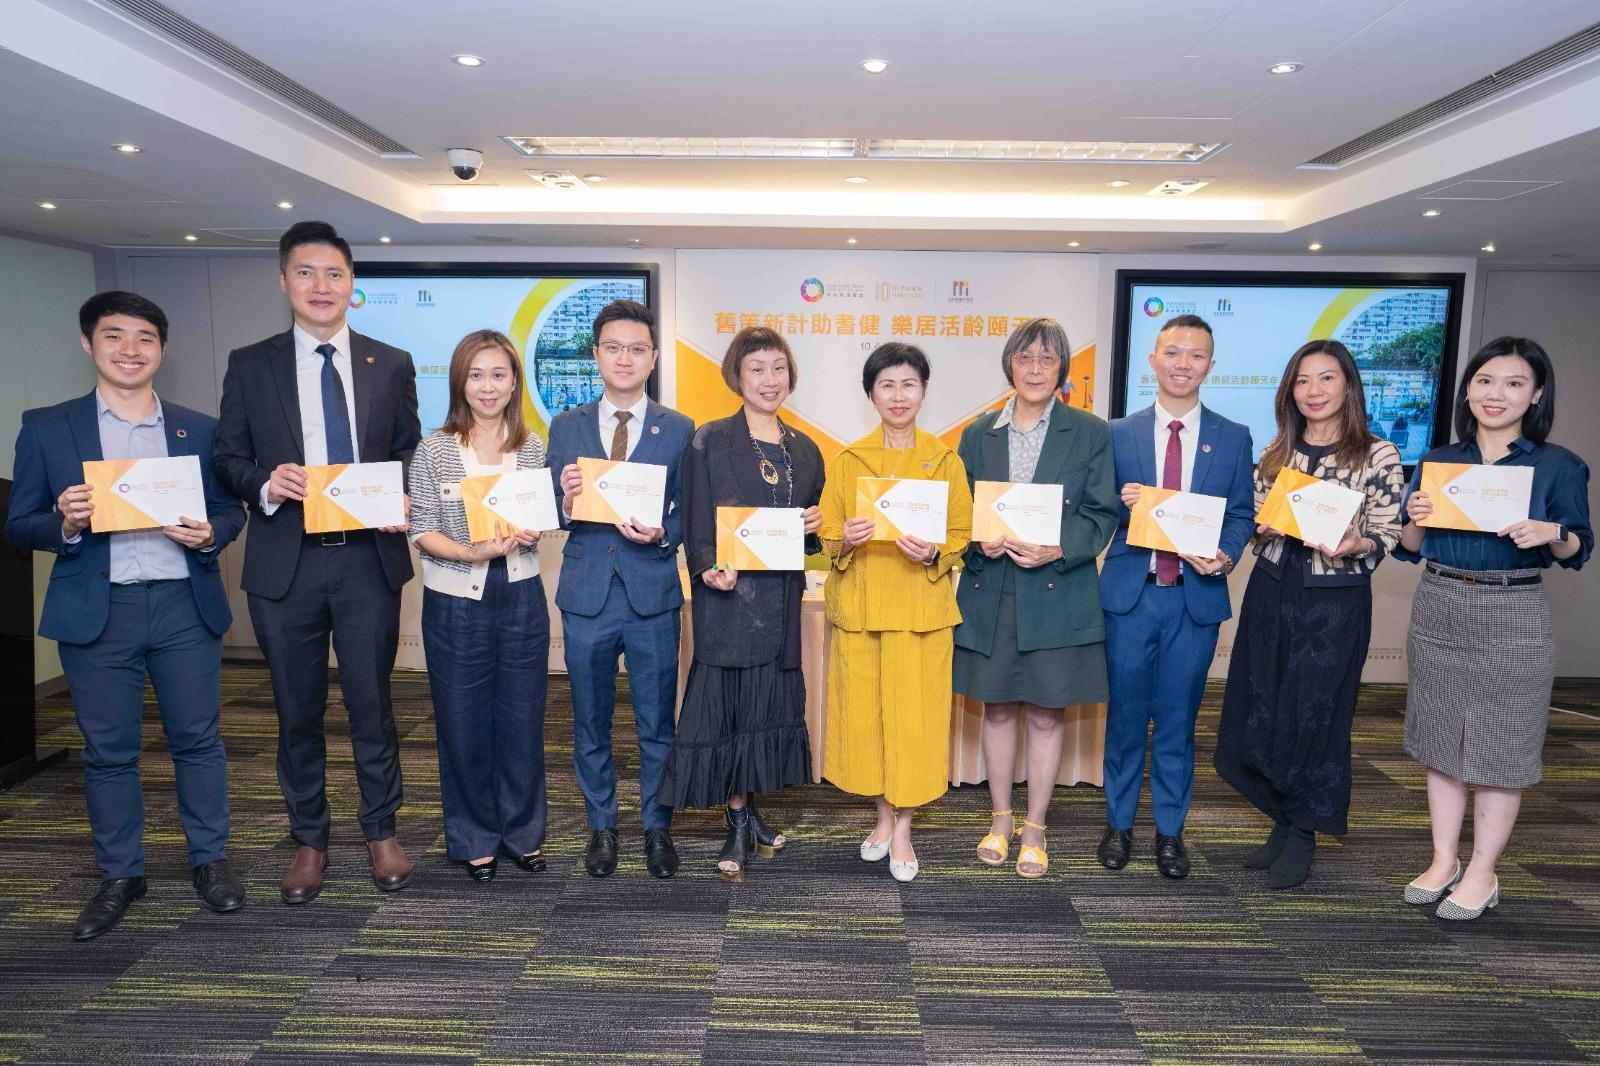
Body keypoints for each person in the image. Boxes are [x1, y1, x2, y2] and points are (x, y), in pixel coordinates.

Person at [6, 292, 246, 939]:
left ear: (162, 349)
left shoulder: (199, 429)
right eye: (114, 336)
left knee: (198, 740)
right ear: (89, 343)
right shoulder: (48, 427)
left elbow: (231, 510)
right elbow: (19, 522)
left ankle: (210, 860)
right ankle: (121, 874)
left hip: (182, 604)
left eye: (145, 338)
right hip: (98, 607)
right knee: (108, 752)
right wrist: (64, 522)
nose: (130, 350)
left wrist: (212, 534)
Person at [212, 220, 421, 903]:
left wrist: (403, 493)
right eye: (306, 272)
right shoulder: (252, 363)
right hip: (287, 563)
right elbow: (227, 457)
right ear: (284, 281)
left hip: (366, 561)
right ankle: (309, 839)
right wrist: (266, 484)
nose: (321, 286)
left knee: (372, 706)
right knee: (296, 710)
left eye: (334, 273)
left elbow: (409, 449)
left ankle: (381, 831)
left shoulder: (391, 362)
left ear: (352, 284)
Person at [1395, 337, 1590, 920]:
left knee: (1502, 743)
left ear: (1536, 395)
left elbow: (1578, 546)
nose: (1495, 394)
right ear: (1467, 391)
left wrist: (1551, 532)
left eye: (1513, 383)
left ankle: (1483, 871)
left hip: (1513, 606)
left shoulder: (1557, 465)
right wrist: (1414, 518)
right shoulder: (1439, 459)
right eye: (1484, 381)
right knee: (1440, 737)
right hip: (1439, 600)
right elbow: (1410, 546)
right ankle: (1442, 860)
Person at [1213, 340, 1405, 889]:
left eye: (1326, 378)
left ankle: (1303, 832)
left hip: (1334, 600)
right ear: (1289, 391)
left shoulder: (1378, 454)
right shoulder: (1277, 452)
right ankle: (1282, 818)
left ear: (1348, 385)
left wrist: (1357, 543)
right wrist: (1260, 529)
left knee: (1315, 714)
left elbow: (1388, 532)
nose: (1313, 391)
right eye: (1302, 380)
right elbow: (1253, 524)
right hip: (1272, 591)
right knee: (1264, 703)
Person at [657, 327, 824, 880]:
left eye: (778, 368)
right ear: (737, 376)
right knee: (728, 712)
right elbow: (697, 515)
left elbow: (803, 530)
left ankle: (749, 811)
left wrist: (813, 527)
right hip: (729, 600)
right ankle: (736, 818)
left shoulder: (805, 449)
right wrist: (706, 564)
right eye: (757, 369)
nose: (769, 380)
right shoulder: (710, 440)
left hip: (779, 601)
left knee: (762, 713)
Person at [954, 318, 1118, 879]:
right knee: (998, 708)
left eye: (1047, 359)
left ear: (1062, 369)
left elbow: (1102, 513)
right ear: (1010, 365)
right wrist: (978, 539)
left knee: (1047, 715)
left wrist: (1059, 547)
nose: (1034, 369)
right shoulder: (978, 433)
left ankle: (1036, 826)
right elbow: (961, 511)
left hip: (1057, 590)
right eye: (1024, 358)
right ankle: (1000, 819)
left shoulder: (1089, 431)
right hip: (994, 591)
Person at [1097, 314, 1254, 879]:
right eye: (1172, 352)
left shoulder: (1233, 436)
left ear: (1210, 365)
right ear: (1153, 360)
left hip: (1194, 598)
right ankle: (1118, 825)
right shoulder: (1117, 433)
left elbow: (1241, 515)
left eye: (1195, 354)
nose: (1182, 363)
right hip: (1130, 598)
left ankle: (1170, 831)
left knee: (1177, 721)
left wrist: (1226, 555)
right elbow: (1095, 510)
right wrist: (1120, 502)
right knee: (1124, 720)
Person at [548, 299, 693, 879]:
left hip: (651, 592)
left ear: (653, 357)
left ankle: (657, 827)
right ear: (597, 354)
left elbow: (688, 512)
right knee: (590, 721)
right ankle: (602, 827)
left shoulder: (679, 428)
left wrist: (664, 532)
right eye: (614, 348)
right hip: (587, 593)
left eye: (637, 349)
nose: (625, 358)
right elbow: (553, 512)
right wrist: (564, 499)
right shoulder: (566, 426)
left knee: (657, 723)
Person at [820, 342, 973, 883]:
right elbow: (827, 533)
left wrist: (934, 552)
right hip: (863, 610)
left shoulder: (945, 461)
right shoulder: (850, 460)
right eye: (887, 385)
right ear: (871, 394)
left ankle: (904, 826)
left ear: (924, 391)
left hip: (921, 612)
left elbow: (961, 533)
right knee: (868, 721)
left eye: (909, 384)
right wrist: (847, 537)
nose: (898, 395)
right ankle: (882, 817)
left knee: (914, 722)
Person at [408, 330, 550, 882]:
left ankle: (523, 834)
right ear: (459, 382)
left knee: (523, 720)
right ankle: (474, 838)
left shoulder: (531, 447)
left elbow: (539, 522)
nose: (487, 387)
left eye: (498, 375)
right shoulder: (435, 448)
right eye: (476, 375)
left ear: (514, 382)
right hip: (455, 601)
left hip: (521, 596)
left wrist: (532, 530)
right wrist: (473, 552)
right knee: (462, 723)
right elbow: (422, 528)